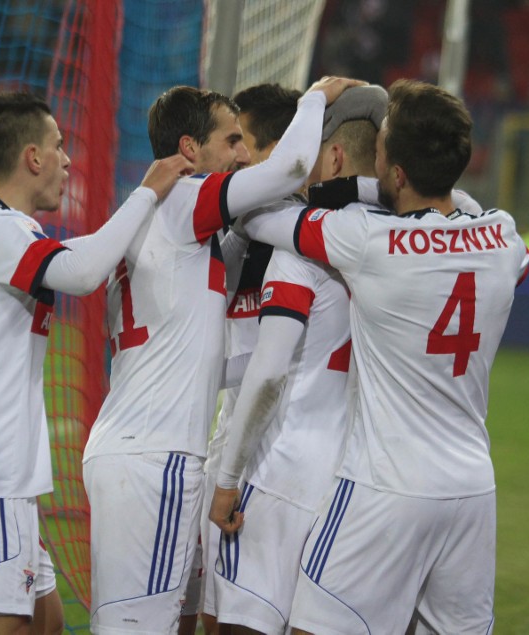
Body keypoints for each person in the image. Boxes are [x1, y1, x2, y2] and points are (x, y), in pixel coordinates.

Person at [234, 79, 529, 634]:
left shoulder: (366, 241)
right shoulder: (504, 239)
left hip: (385, 487)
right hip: (471, 492)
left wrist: (354, 186)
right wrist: (447, 196)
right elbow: (486, 230)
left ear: (395, 173)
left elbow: (255, 215)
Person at [0, 91, 194, 635]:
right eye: (59, 147)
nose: (67, 160)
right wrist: (148, 195)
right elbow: (83, 272)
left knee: (47, 625)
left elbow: (73, 260)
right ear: (32, 157)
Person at [82, 76, 359, 634]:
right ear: (189, 149)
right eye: (231, 140)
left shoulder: (163, 225)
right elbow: (285, 170)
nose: (241, 154)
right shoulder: (185, 198)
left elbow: (206, 355)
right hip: (157, 458)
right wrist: (314, 99)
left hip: (135, 447)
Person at [208, 85, 387, 635]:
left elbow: (268, 372)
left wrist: (228, 477)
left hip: (281, 472)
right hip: (354, 484)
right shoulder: (401, 244)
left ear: (330, 156)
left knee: (234, 624)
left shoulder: (300, 248)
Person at [178, 82, 304, 635]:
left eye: (244, 143)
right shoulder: (230, 238)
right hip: (231, 454)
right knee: (207, 616)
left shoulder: (311, 243)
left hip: (274, 470)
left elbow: (271, 368)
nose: (239, 159)